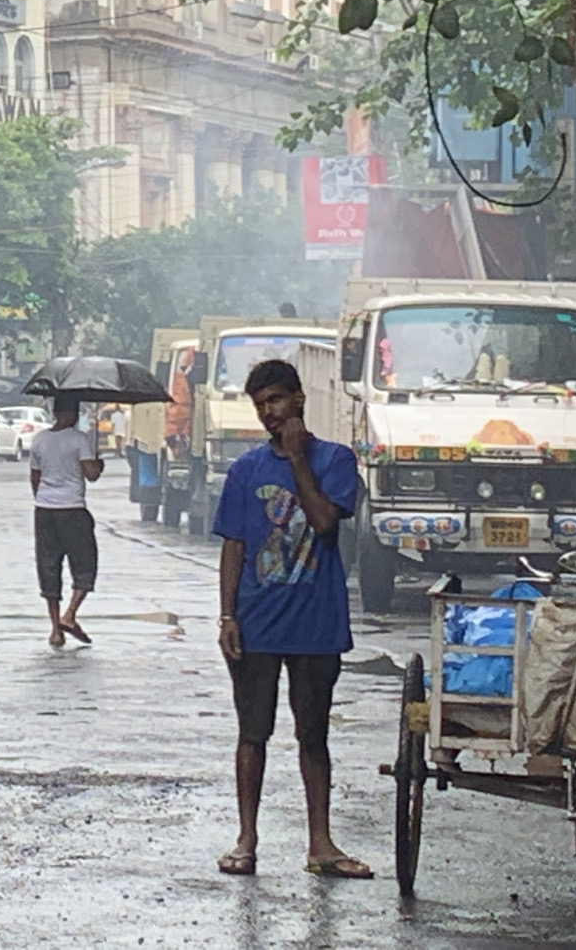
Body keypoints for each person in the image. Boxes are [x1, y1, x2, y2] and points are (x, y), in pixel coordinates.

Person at [213, 358, 371, 880]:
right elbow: (234, 546)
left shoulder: (336, 460)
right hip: (257, 623)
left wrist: (300, 458)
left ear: (299, 399)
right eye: (260, 405)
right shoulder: (244, 471)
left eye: (276, 401)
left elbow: (325, 522)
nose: (268, 414)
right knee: (252, 733)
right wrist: (227, 615)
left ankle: (320, 844)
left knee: (313, 735)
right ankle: (246, 839)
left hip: (316, 624)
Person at [30, 393, 103, 648]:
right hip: (73, 510)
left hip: (44, 511)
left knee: (49, 566)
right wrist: (98, 463)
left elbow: (35, 478)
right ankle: (70, 614)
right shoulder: (79, 439)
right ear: (72, 413)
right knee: (85, 565)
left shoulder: (38, 440)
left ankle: (55, 630)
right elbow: (91, 475)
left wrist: (44, 500)